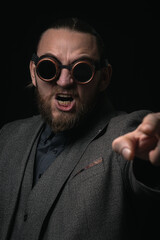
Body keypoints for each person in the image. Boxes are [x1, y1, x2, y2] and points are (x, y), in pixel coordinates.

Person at [0, 18, 160, 240]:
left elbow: (145, 175)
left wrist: (151, 160)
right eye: (49, 67)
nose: (65, 81)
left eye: (82, 70)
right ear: (33, 72)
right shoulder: (7, 137)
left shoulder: (126, 132)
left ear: (104, 78)